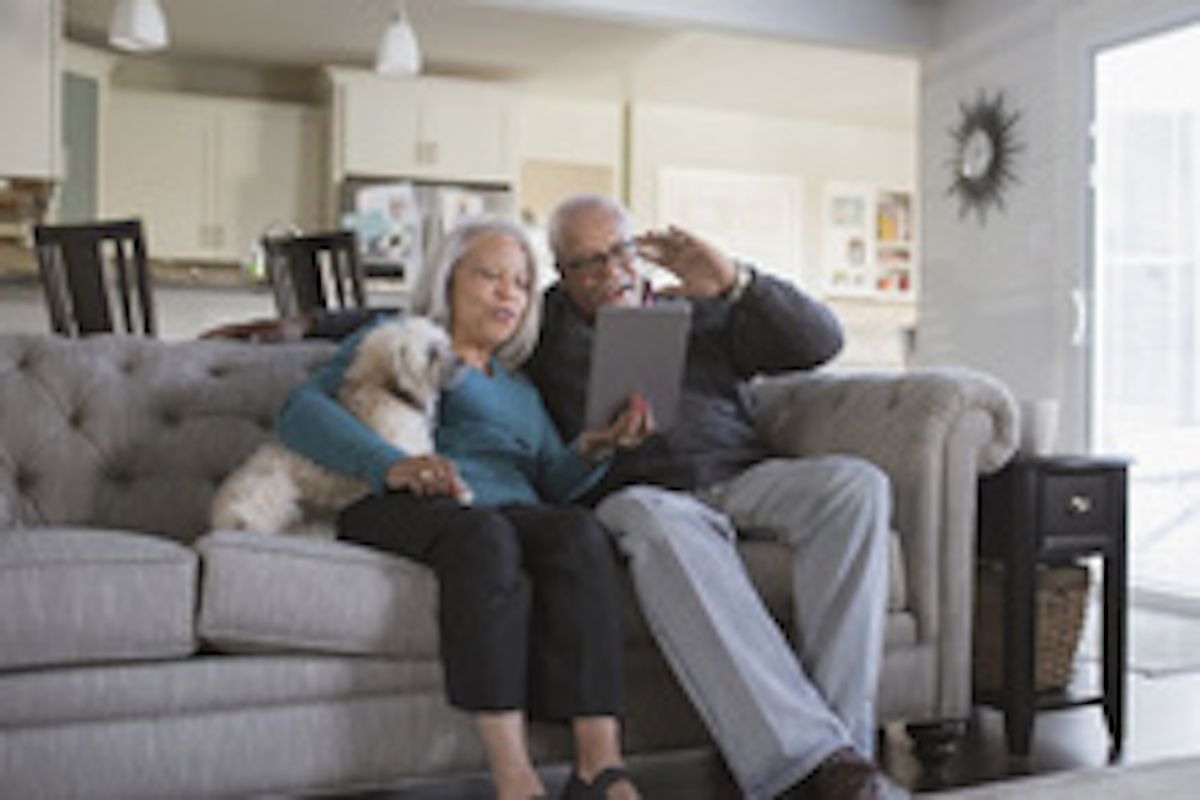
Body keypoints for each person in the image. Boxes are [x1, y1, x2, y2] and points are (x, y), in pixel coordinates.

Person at [524, 196, 897, 800]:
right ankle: (807, 763)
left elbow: (820, 342)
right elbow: (455, 320)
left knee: (856, 487)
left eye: (619, 251)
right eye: (587, 264)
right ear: (561, 275)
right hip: (637, 492)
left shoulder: (697, 307)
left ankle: (839, 757)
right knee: (654, 517)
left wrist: (735, 282)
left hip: (739, 476)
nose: (610, 272)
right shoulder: (541, 331)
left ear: (637, 249)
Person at [275, 217, 650, 800]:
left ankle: (598, 768)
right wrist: (387, 464)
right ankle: (514, 778)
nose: (509, 293)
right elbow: (300, 410)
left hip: (501, 511)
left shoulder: (519, 387)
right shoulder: (401, 340)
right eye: (490, 276)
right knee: (486, 538)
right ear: (447, 279)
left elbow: (554, 478)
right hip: (407, 503)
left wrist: (595, 448)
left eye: (522, 283)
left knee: (580, 533)